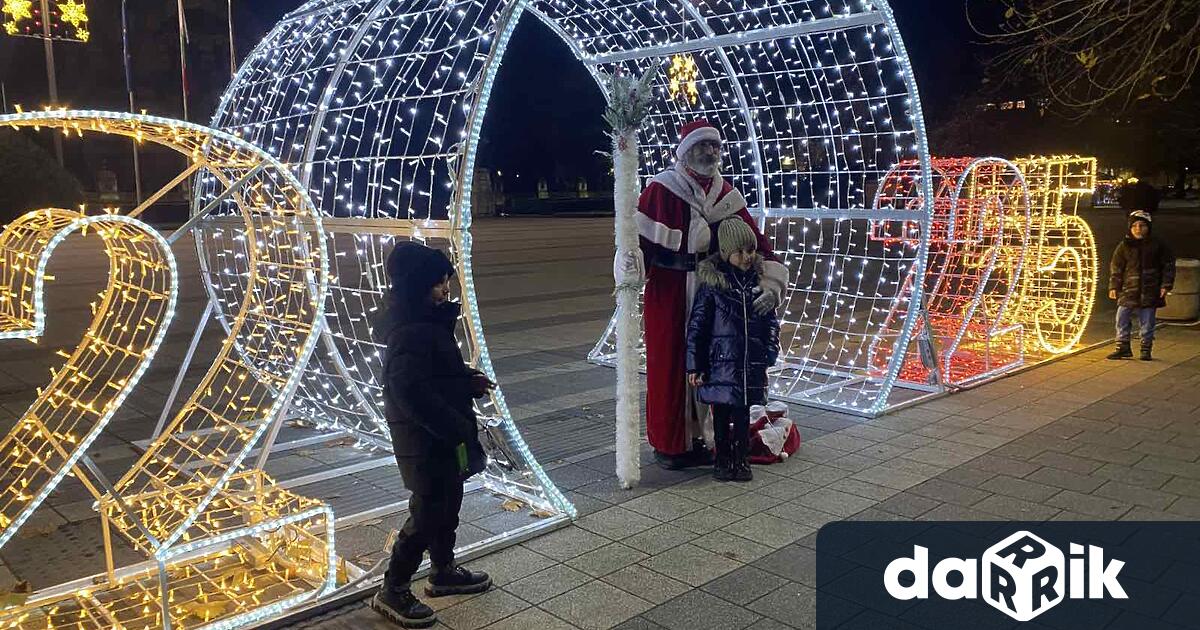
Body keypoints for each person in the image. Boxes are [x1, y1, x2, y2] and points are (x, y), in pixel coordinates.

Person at [614, 120, 788, 470]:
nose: (709, 153)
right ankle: (671, 445)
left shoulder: (727, 196)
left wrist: (770, 285)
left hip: (716, 295)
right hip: (670, 293)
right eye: (701, 146)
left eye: (714, 146)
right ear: (684, 152)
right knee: (672, 365)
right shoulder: (661, 190)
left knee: (713, 366)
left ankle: (711, 439)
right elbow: (638, 245)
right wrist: (630, 267)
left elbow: (758, 247)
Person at [371, 242, 493, 628]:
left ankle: (443, 571)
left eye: (445, 282)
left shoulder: (431, 322)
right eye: (438, 283)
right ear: (416, 286)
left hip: (445, 439)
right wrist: (452, 424)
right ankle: (393, 588)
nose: (445, 290)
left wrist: (466, 382)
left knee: (448, 506)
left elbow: (438, 378)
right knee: (426, 515)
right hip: (425, 442)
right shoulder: (409, 332)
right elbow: (411, 394)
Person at [685, 219, 781, 482]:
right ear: (726, 253)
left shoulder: (758, 284)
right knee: (721, 415)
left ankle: (741, 459)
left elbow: (771, 322)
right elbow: (698, 328)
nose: (747, 257)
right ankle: (722, 458)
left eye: (750, 250)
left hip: (749, 363)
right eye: (740, 252)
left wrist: (769, 351)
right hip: (720, 366)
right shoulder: (713, 286)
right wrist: (696, 364)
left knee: (742, 414)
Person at [1107, 211, 1175, 361]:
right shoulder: (1124, 245)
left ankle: (1146, 348)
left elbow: (1168, 266)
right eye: (1135, 226)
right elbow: (1116, 267)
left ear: (1148, 227)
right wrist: (1114, 286)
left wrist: (1166, 285)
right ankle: (1122, 346)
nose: (1138, 229)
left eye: (1142, 225)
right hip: (1128, 290)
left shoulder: (1158, 245)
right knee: (1122, 317)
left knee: (1147, 321)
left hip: (1150, 290)